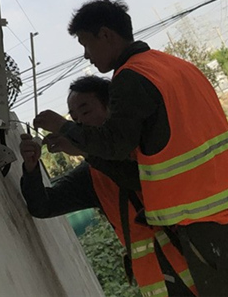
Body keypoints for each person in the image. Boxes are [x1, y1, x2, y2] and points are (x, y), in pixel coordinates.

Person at [33, 0, 228, 297]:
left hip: (203, 219)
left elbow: (115, 144)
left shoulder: (131, 77)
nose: (86, 56)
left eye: (86, 44)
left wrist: (64, 127)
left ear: (105, 35)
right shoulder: (174, 66)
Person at [21, 75, 197, 297]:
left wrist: (84, 147)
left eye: (86, 112)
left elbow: (135, 178)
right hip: (161, 286)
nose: (80, 124)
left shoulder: (150, 144)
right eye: (74, 119)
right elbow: (43, 206)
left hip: (207, 269)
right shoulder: (91, 176)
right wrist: (31, 167)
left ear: (111, 109)